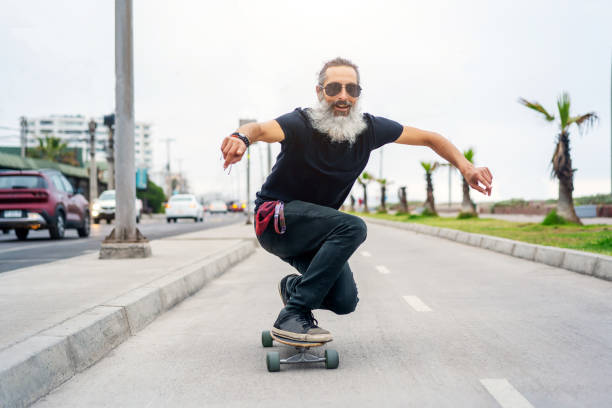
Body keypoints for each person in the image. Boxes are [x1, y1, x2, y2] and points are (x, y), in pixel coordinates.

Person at [220, 57, 493, 342]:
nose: (343, 96)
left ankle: (294, 292)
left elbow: (429, 138)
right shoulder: (301, 123)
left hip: (313, 234)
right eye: (334, 88)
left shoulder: (370, 130)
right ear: (319, 92)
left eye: (352, 89)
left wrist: (467, 168)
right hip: (275, 220)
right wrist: (241, 137)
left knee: (344, 300)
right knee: (353, 226)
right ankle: (293, 314)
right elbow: (260, 129)